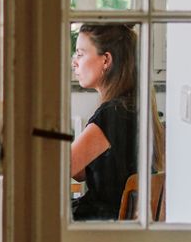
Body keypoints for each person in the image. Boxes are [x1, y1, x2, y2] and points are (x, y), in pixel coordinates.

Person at [69, 23, 165, 221]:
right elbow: (80, 173)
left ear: (106, 60)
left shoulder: (111, 114)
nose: (74, 62)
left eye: (80, 54)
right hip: (125, 226)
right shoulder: (132, 108)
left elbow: (61, 167)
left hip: (101, 225)